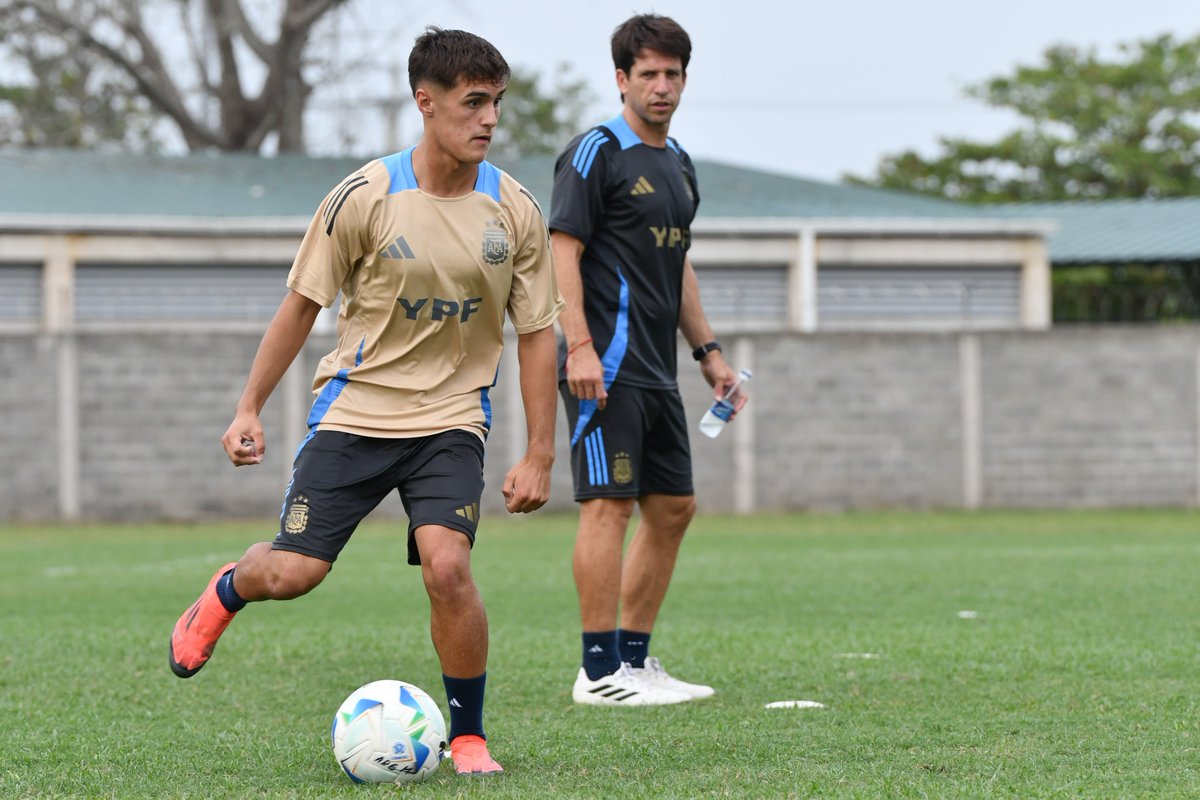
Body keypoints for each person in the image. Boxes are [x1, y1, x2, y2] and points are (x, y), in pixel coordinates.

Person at [167, 27, 563, 775]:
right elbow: (300, 305)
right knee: (292, 574)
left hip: (451, 420)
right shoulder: (363, 197)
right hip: (355, 414)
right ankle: (224, 592)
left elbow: (539, 333)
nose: (488, 119)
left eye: (496, 104)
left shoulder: (514, 211)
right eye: (473, 102)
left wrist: (541, 450)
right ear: (426, 102)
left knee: (448, 569)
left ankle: (470, 737)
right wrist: (248, 406)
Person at [549, 14, 744, 706]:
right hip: (602, 365)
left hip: (659, 371)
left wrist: (709, 353)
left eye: (674, 74)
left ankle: (633, 661)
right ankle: (598, 672)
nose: (662, 87)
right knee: (610, 506)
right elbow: (560, 253)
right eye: (649, 74)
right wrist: (578, 347)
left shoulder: (680, 164)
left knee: (675, 508)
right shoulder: (594, 153)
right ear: (622, 79)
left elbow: (676, 262)